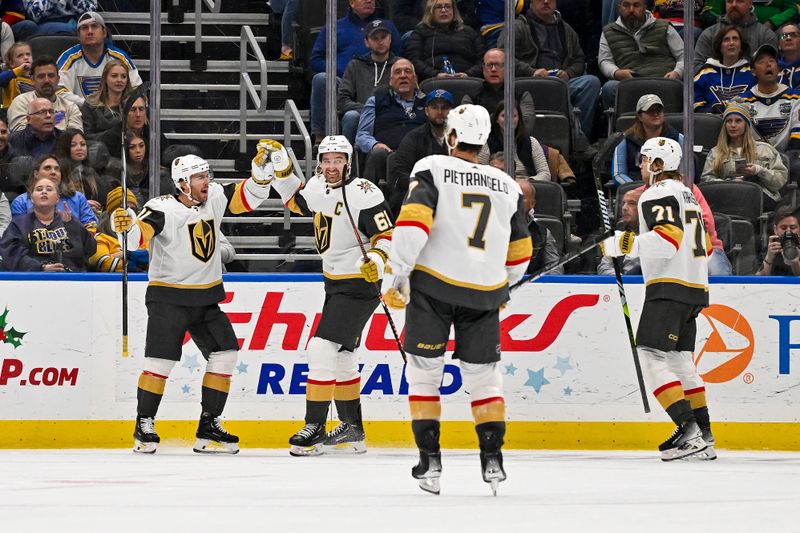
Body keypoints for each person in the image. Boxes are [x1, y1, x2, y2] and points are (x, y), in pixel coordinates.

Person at [382, 104, 532, 494]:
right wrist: (503, 285)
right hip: (484, 293)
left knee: (424, 372)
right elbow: (520, 255)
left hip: (432, 287)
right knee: (485, 378)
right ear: (483, 140)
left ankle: (429, 462)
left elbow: (413, 226)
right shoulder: (509, 186)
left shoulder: (431, 167)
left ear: (451, 137)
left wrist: (397, 274)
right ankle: (493, 460)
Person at [110, 150, 274, 454]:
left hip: (206, 298)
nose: (206, 181)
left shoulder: (213, 196)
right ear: (183, 183)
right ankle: (144, 423)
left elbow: (246, 199)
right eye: (199, 177)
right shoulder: (160, 208)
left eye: (206, 174)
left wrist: (261, 178)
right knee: (159, 363)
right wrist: (125, 226)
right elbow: (137, 238)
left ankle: (208, 426)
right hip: (168, 298)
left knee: (225, 353)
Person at [256, 135, 393, 456]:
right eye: (327, 160)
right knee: (342, 356)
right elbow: (296, 201)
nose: (332, 167)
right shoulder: (318, 186)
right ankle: (352, 429)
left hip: (361, 284)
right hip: (334, 283)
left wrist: (376, 258)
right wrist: (281, 166)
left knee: (320, 348)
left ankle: (315, 425)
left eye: (338, 160)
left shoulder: (364, 193)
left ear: (349, 162)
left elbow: (386, 234)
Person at [601, 136, 715, 461]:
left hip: (668, 287)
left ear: (657, 165)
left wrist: (624, 245)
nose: (640, 165)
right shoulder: (688, 195)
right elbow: (702, 246)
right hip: (694, 286)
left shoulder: (657, 192)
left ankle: (689, 431)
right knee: (681, 361)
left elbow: (667, 242)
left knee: (651, 356)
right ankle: (705, 435)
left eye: (644, 159)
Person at [500, 0, 601, 140]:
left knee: (591, 82)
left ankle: (579, 138)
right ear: (531, 3)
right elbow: (503, 57)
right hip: (530, 82)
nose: (546, 1)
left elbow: (579, 59)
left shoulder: (567, 29)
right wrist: (531, 71)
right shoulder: (516, 27)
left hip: (562, 83)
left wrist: (568, 73)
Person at [308, 0, 401, 146]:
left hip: (378, 77)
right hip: (343, 79)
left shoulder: (387, 26)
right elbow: (315, 60)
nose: (369, 1)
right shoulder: (334, 27)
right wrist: (345, 70)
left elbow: (398, 57)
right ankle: (320, 138)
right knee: (321, 79)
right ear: (352, 3)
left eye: (383, 38)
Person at [0, 163, 95, 271]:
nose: (44, 192)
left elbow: (89, 249)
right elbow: (12, 254)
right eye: (39, 189)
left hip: (70, 279)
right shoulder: (19, 224)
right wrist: (41, 268)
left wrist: (72, 225)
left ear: (57, 198)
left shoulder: (71, 222)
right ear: (31, 198)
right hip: (32, 280)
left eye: (49, 189)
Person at [599, 0, 684, 112]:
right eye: (626, 5)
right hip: (629, 81)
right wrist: (616, 72)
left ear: (645, 7)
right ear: (619, 8)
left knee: (684, 87)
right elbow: (604, 61)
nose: (631, 10)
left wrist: (677, 72)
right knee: (609, 88)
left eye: (636, 5)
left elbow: (684, 56)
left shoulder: (663, 26)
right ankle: (617, 128)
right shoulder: (608, 31)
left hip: (663, 80)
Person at [702, 100, 787, 211]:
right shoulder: (716, 152)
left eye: (738, 121)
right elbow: (705, 181)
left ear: (746, 124)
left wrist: (758, 170)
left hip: (761, 201)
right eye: (729, 121)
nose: (732, 125)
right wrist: (727, 184)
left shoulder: (765, 149)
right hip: (727, 198)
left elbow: (779, 182)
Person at [355, 58, 426, 184]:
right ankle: (366, 200)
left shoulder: (428, 103)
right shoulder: (376, 100)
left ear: (415, 79)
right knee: (377, 154)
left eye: (407, 71)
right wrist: (375, 145)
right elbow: (362, 135)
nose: (403, 75)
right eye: (398, 72)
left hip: (419, 156)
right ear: (391, 81)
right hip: (386, 154)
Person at [385, 88, 453, 217]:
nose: (439, 112)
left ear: (452, 111)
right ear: (427, 111)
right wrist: (425, 186)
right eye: (434, 107)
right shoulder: (414, 137)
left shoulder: (461, 137)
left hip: (452, 194)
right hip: (420, 196)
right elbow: (398, 173)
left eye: (444, 108)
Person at [56, 11, 142, 105]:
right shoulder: (68, 58)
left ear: (104, 32)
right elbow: (58, 92)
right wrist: (87, 105)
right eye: (84, 28)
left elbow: (137, 90)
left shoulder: (119, 57)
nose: (90, 31)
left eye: (94, 26)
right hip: (79, 116)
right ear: (78, 35)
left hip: (114, 116)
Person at [337, 20, 398, 146]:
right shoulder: (355, 65)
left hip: (391, 114)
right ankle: (348, 163)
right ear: (366, 42)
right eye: (374, 38)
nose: (380, 41)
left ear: (390, 39)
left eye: (383, 37)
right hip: (361, 115)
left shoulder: (400, 65)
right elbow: (342, 99)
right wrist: (367, 110)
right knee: (351, 117)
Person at [10, 152, 96, 232]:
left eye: (57, 169)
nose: (53, 172)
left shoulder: (78, 198)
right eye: (47, 168)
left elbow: (92, 227)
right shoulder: (21, 202)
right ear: (36, 174)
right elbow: (20, 235)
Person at [740, 44, 800, 154]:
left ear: (778, 68)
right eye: (761, 62)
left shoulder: (796, 98)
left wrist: (787, 158)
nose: (768, 65)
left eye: (772, 61)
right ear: (753, 71)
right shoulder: (742, 102)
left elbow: (798, 133)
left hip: (787, 158)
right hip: (753, 158)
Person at [612, 94, 683, 185]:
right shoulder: (625, 140)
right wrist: (640, 189)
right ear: (639, 116)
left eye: (659, 110)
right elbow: (618, 175)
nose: (656, 114)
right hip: (635, 189)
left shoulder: (677, 138)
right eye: (650, 111)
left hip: (669, 189)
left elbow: (686, 172)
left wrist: (661, 187)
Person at [403, 0, 484, 81]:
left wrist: (468, 74)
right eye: (438, 7)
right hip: (432, 81)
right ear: (430, 11)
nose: (444, 10)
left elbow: (482, 60)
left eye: (448, 6)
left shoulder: (469, 32)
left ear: (454, 11)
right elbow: (414, 60)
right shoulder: (420, 31)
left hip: (467, 80)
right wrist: (435, 74)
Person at [477, 100, 551, 181]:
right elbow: (479, 173)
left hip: (526, 186)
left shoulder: (532, 142)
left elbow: (545, 173)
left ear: (519, 118)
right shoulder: (486, 143)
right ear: (496, 119)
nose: (509, 120)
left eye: (514, 116)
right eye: (504, 115)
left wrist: (526, 182)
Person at [695, 0, 778, 71]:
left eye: (740, 1)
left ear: (750, 3)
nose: (734, 5)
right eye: (729, 1)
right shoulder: (709, 34)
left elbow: (769, 71)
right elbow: (696, 67)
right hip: (714, 87)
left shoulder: (766, 36)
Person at [8, 55, 82, 132]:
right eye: (41, 76)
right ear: (32, 80)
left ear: (58, 79)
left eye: (51, 76)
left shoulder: (70, 107)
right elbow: (20, 138)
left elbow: (75, 138)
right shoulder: (21, 102)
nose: (47, 80)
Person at [693, 25, 756, 114]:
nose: (731, 43)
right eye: (726, 40)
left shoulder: (751, 73)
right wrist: (714, 109)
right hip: (712, 124)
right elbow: (695, 105)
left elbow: (757, 101)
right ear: (719, 46)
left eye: (735, 39)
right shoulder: (704, 74)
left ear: (741, 45)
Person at [54, 128, 106, 213]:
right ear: (65, 148)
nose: (79, 148)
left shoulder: (90, 172)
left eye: (83, 144)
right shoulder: (58, 173)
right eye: (73, 145)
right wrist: (83, 205)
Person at [519, 179, 564, 275]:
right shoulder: (494, 227)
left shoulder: (543, 233)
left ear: (532, 203)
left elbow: (555, 269)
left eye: (521, 197)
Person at [80, 59, 132, 142]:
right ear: (105, 78)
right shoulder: (90, 105)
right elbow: (86, 137)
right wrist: (110, 134)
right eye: (114, 76)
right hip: (99, 152)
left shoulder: (133, 105)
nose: (119, 80)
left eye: (123, 76)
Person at [598, 188, 643, 275]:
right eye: (623, 203)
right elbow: (604, 267)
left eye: (632, 203)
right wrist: (623, 280)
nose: (624, 208)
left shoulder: (654, 235)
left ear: (644, 208)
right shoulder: (617, 235)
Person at [757, 205, 800, 275]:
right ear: (775, 229)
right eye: (783, 228)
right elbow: (755, 282)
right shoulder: (768, 250)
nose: (788, 231)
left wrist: (795, 263)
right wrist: (769, 258)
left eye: (793, 227)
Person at [702, 0, 797, 31]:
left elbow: (793, 8)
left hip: (774, 30)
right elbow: (713, 12)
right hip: (731, 28)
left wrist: (772, 22)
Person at [0, 41, 33, 108]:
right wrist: (19, 70)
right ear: (12, 63)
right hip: (10, 112)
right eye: (20, 56)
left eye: (28, 54)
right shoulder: (10, 76)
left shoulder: (35, 77)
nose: (26, 57)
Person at [778, 22, 800, 89]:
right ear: (779, 45)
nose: (788, 38)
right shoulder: (772, 70)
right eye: (783, 36)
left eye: (794, 35)